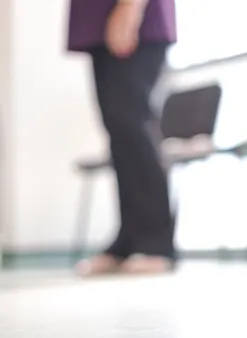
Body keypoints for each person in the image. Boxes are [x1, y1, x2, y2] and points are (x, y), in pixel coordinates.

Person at [67, 0, 178, 275]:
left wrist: (131, 7)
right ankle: (129, 240)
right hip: (99, 21)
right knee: (119, 133)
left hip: (130, 16)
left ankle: (156, 242)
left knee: (133, 125)